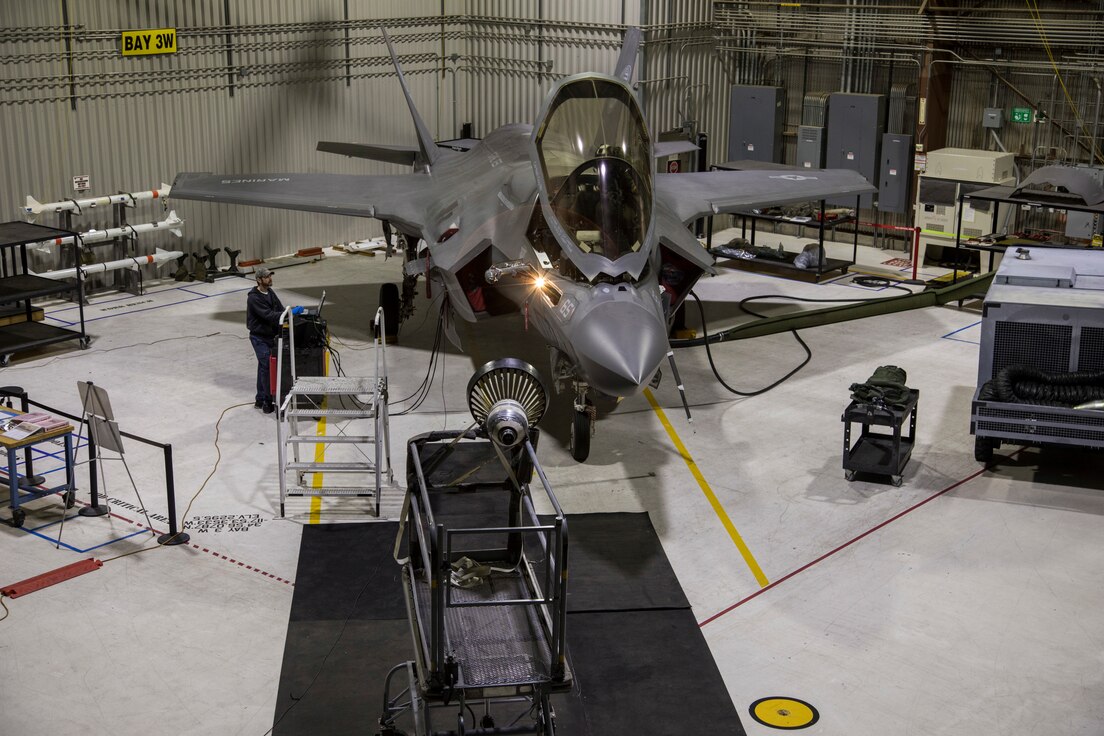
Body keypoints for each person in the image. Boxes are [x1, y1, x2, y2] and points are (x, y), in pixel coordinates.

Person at [246, 267, 301, 413]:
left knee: (263, 367)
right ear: (258, 279)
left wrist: (290, 312)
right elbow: (270, 315)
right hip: (259, 338)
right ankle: (267, 401)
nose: (270, 278)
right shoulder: (254, 298)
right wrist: (288, 313)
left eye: (270, 276)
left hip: (270, 336)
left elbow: (280, 309)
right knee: (266, 366)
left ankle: (260, 398)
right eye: (266, 277)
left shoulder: (270, 292)